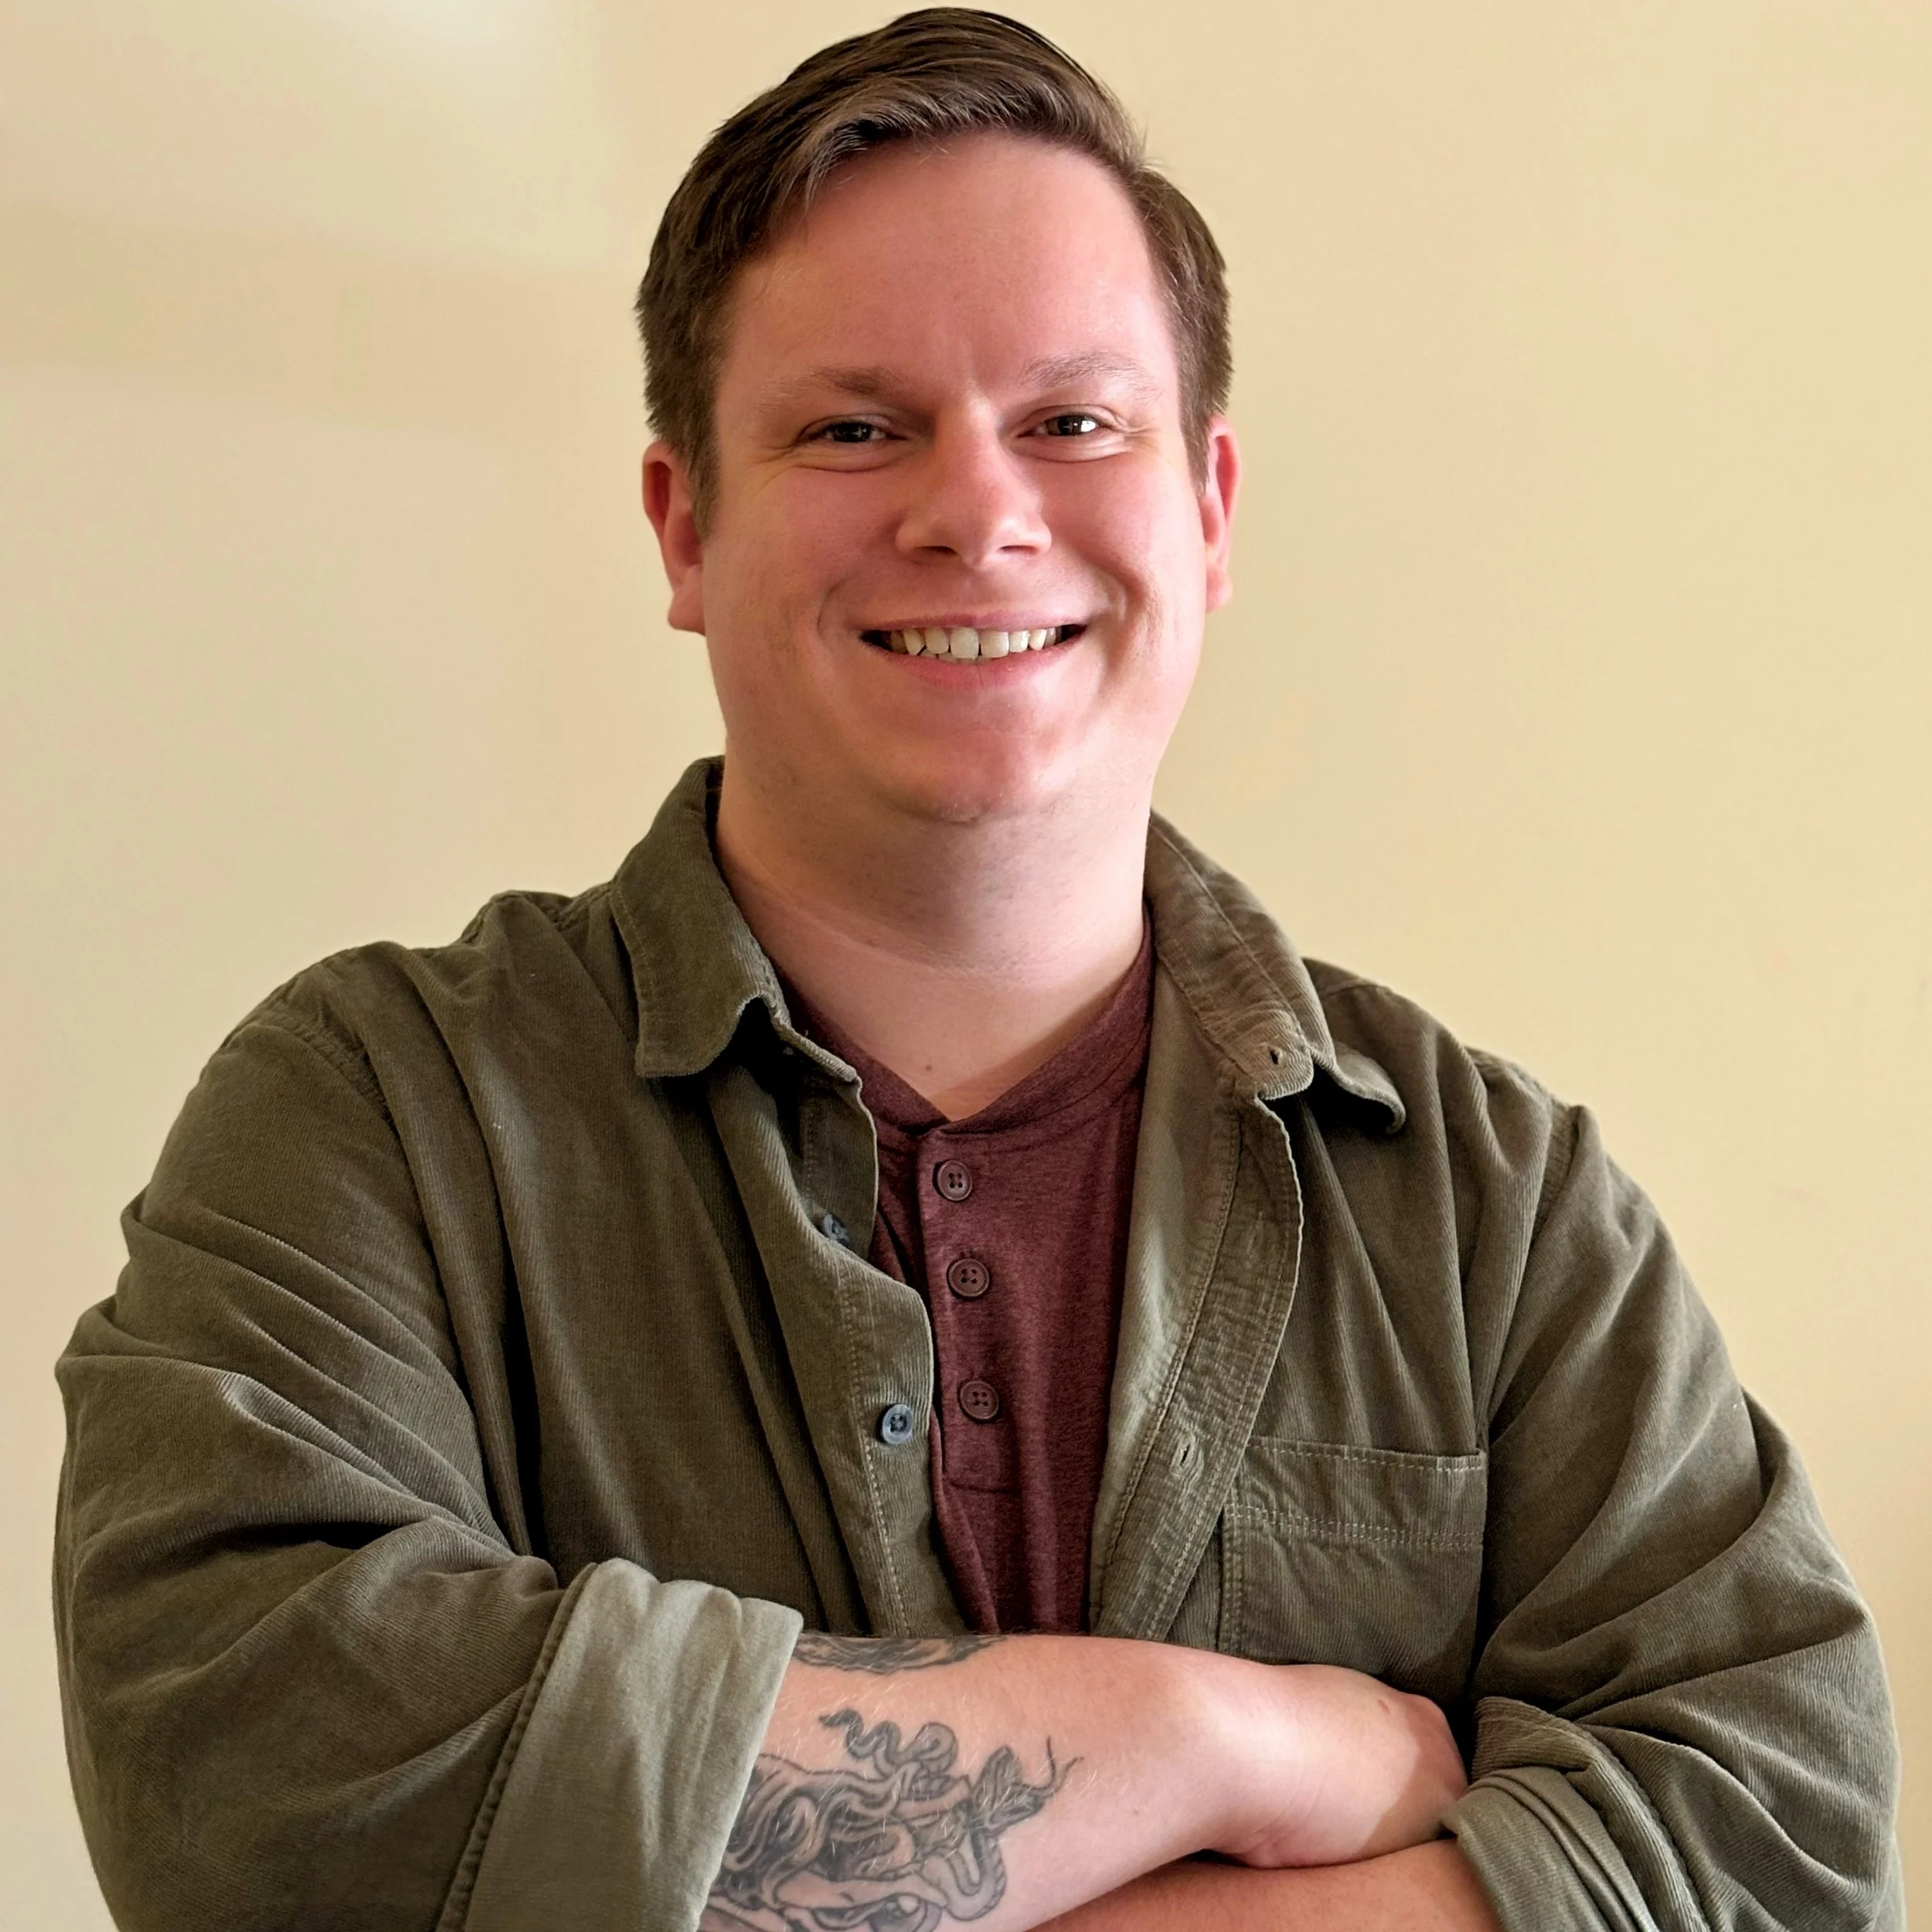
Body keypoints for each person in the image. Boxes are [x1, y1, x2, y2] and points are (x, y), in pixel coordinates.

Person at [54, 11, 1900, 1931]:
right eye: (853, 426)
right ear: (686, 524)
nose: (976, 509)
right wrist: (1217, 1741)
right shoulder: (372, 1115)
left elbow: (1778, 1836)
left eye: (1070, 422)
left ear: (1205, 506)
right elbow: (260, 1787)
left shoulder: (1498, 1207)